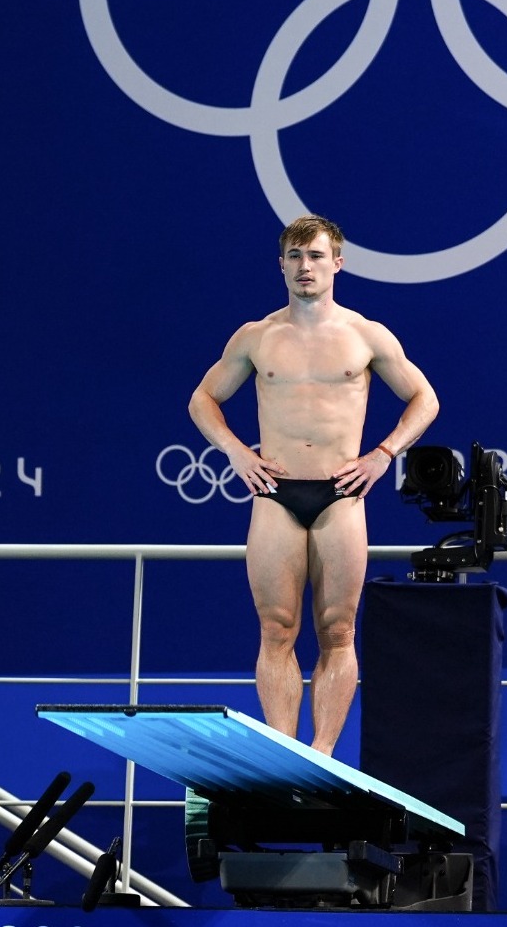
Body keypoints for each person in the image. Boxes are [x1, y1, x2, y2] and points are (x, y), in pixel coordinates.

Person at [189, 214, 439, 755]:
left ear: (337, 264)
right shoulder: (256, 337)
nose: (306, 267)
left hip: (341, 496)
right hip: (275, 496)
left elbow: (425, 399)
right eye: (296, 258)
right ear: (281, 265)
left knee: (338, 631)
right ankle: (285, 756)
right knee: (277, 629)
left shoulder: (365, 335)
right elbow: (202, 399)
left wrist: (382, 454)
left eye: (317, 257)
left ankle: (321, 757)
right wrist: (236, 451)